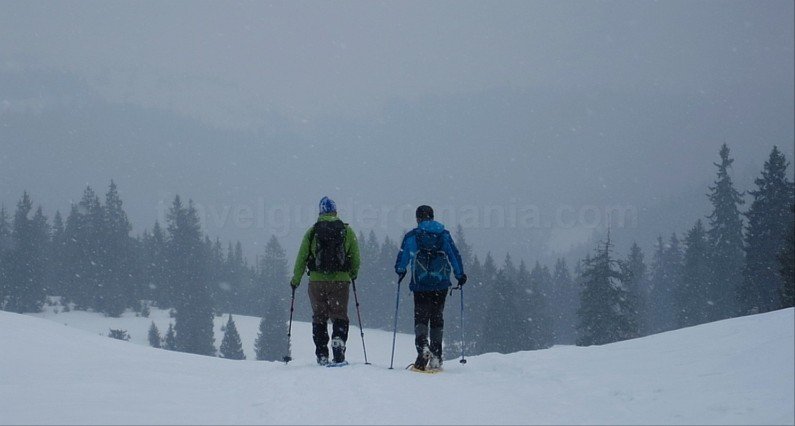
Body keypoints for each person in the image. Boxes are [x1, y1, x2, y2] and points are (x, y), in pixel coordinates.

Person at [395, 205, 466, 370]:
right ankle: (436, 356)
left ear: (418, 218)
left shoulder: (413, 236)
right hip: (440, 284)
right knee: (436, 318)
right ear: (432, 217)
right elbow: (454, 255)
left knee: (421, 318)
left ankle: (423, 347)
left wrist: (400, 270)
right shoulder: (444, 235)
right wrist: (460, 274)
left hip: (420, 285)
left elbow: (403, 256)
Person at [290, 196, 361, 365]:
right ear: (335, 211)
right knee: (339, 315)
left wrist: (296, 279)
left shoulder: (312, 232)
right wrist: (352, 273)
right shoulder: (346, 231)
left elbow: (302, 257)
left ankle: (322, 353)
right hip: (340, 281)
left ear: (320, 212)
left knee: (319, 316)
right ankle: (338, 344)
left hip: (316, 281)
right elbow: (355, 257)